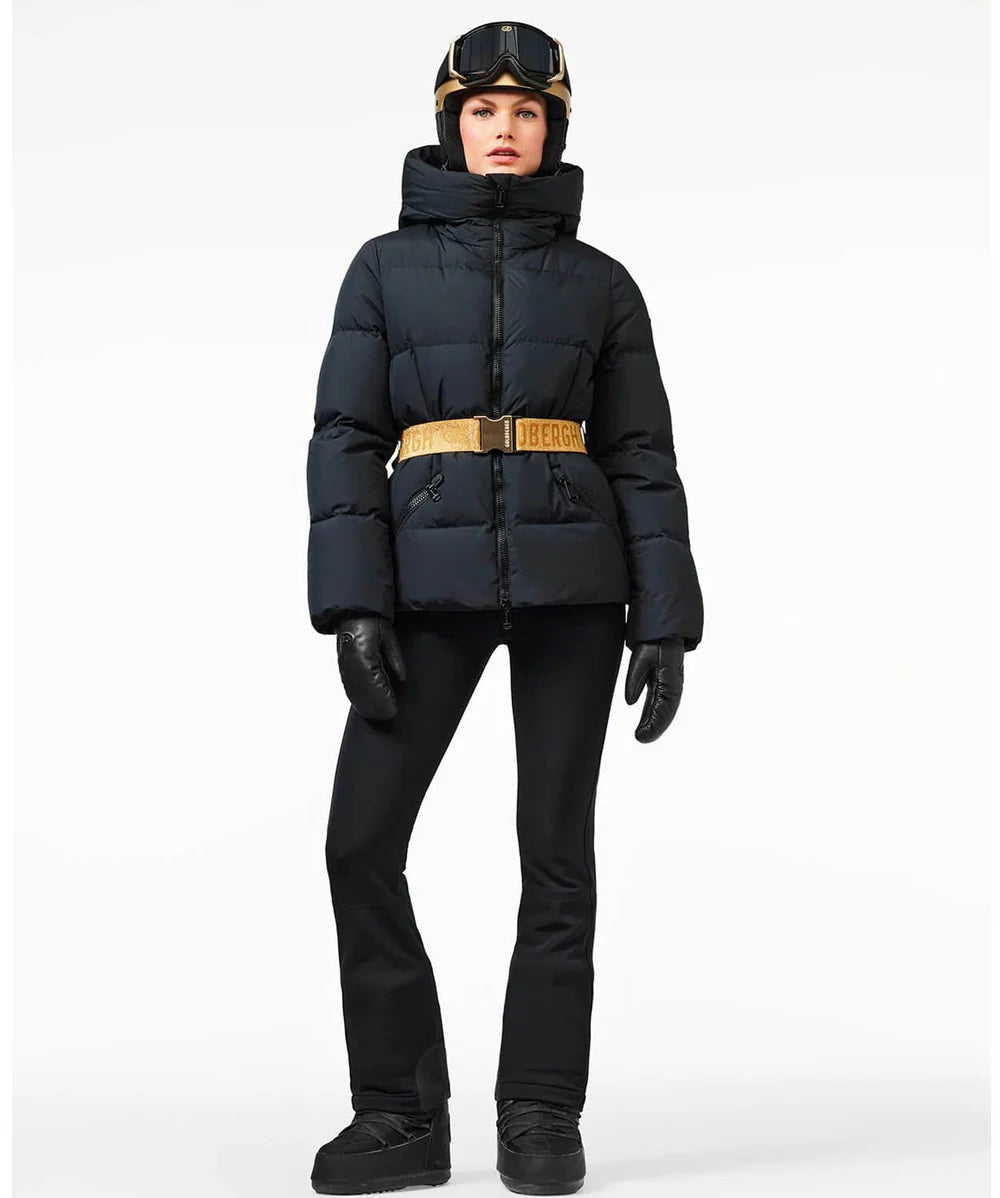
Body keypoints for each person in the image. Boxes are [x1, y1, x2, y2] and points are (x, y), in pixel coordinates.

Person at [306, 21, 704, 1196]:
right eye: (482, 111)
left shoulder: (601, 284)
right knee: (359, 841)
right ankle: (398, 1113)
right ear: (451, 123)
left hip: (576, 587)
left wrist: (665, 617)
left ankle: (539, 1111)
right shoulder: (382, 269)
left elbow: (641, 454)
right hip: (424, 586)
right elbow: (345, 438)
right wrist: (354, 605)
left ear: (552, 130)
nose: (503, 130)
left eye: (527, 113)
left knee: (556, 857)